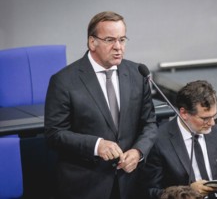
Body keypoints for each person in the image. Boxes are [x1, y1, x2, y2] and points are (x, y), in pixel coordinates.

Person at [44, 11, 158, 199]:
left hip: (130, 183)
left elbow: (150, 124)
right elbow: (54, 134)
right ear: (92, 42)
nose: (118, 47)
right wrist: (96, 145)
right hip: (86, 185)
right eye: (110, 40)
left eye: (122, 39)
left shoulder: (137, 74)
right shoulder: (64, 81)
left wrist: (138, 151)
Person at [141, 80, 217, 199]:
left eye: (214, 116)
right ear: (184, 113)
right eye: (205, 118)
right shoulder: (158, 141)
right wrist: (187, 192)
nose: (212, 123)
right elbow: (150, 192)